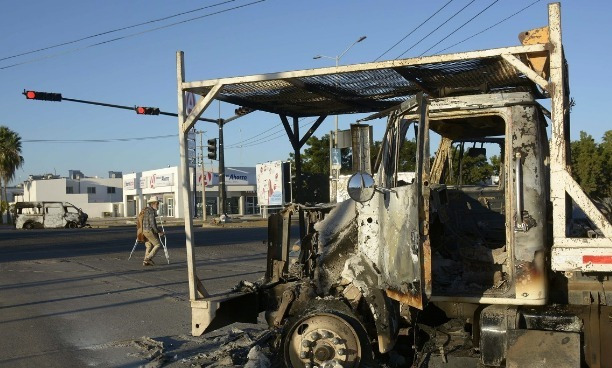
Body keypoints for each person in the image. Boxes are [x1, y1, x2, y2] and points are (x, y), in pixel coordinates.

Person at [142, 196, 164, 266]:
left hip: (144, 231)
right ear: (153, 204)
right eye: (157, 204)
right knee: (157, 244)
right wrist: (159, 231)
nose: (158, 205)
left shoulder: (146, 210)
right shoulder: (151, 212)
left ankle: (145, 262)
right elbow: (153, 224)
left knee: (149, 245)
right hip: (149, 231)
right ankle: (147, 258)